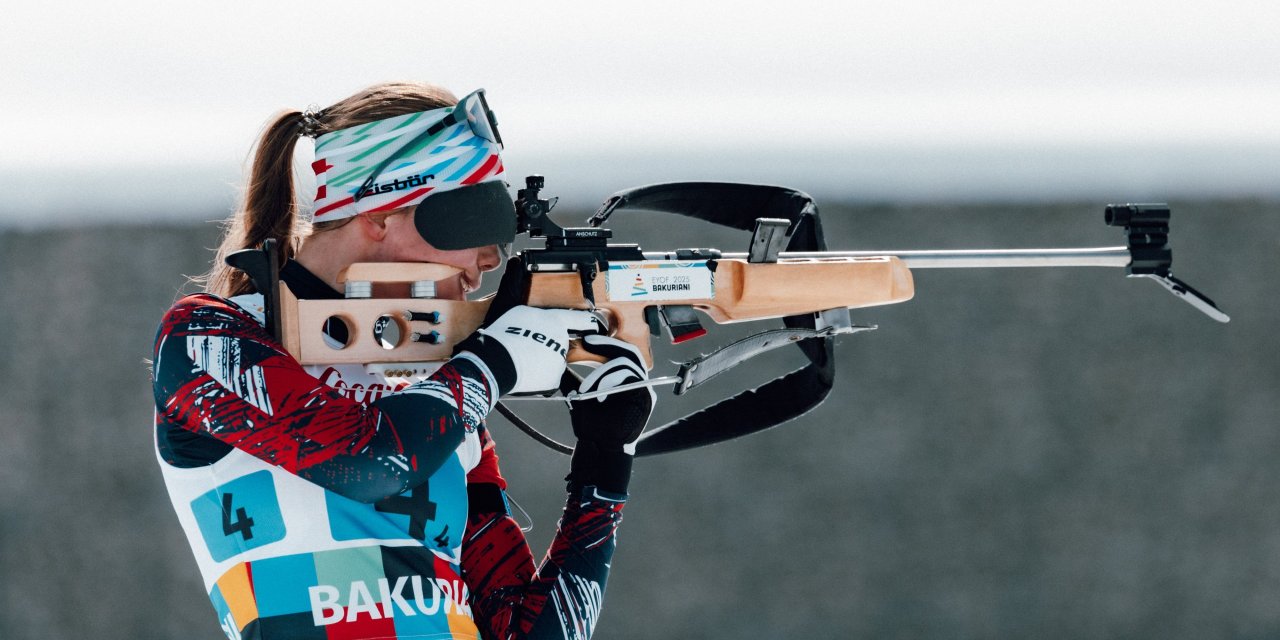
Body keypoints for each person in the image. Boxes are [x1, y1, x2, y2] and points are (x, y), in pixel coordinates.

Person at [151, 81, 654, 640]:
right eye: (473, 220)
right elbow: (368, 462)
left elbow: (523, 632)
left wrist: (605, 462)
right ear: (382, 212)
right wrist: (493, 364)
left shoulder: (432, 391)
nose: (491, 259)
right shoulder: (207, 338)